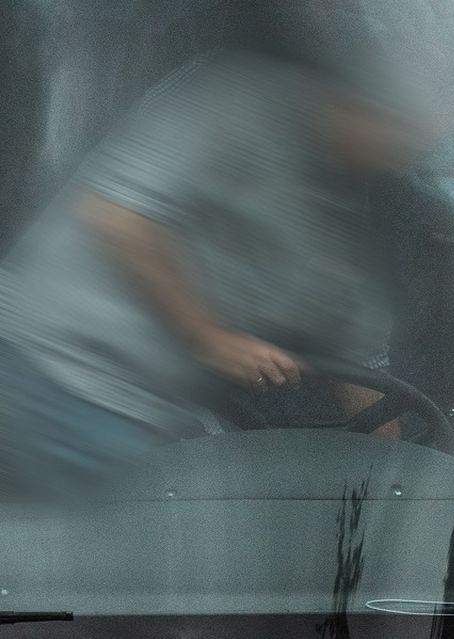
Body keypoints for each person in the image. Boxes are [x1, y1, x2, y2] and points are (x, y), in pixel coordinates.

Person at [0, 47, 426, 497]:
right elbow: (118, 214)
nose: (400, 147)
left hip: (146, 418)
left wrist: (389, 485)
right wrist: (206, 335)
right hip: (38, 371)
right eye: (391, 120)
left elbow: (362, 366)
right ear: (351, 94)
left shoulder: (343, 231)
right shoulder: (236, 99)